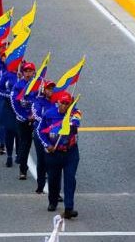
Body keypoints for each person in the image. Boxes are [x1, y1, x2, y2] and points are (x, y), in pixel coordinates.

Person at [39, 91, 80, 219]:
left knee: (70, 178)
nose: (64, 106)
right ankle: (52, 201)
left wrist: (70, 120)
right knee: (53, 178)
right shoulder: (49, 114)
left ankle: (69, 207)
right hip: (54, 152)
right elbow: (40, 131)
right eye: (62, 103)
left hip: (70, 152)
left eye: (67, 104)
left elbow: (76, 123)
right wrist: (47, 145)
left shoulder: (75, 113)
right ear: (58, 103)